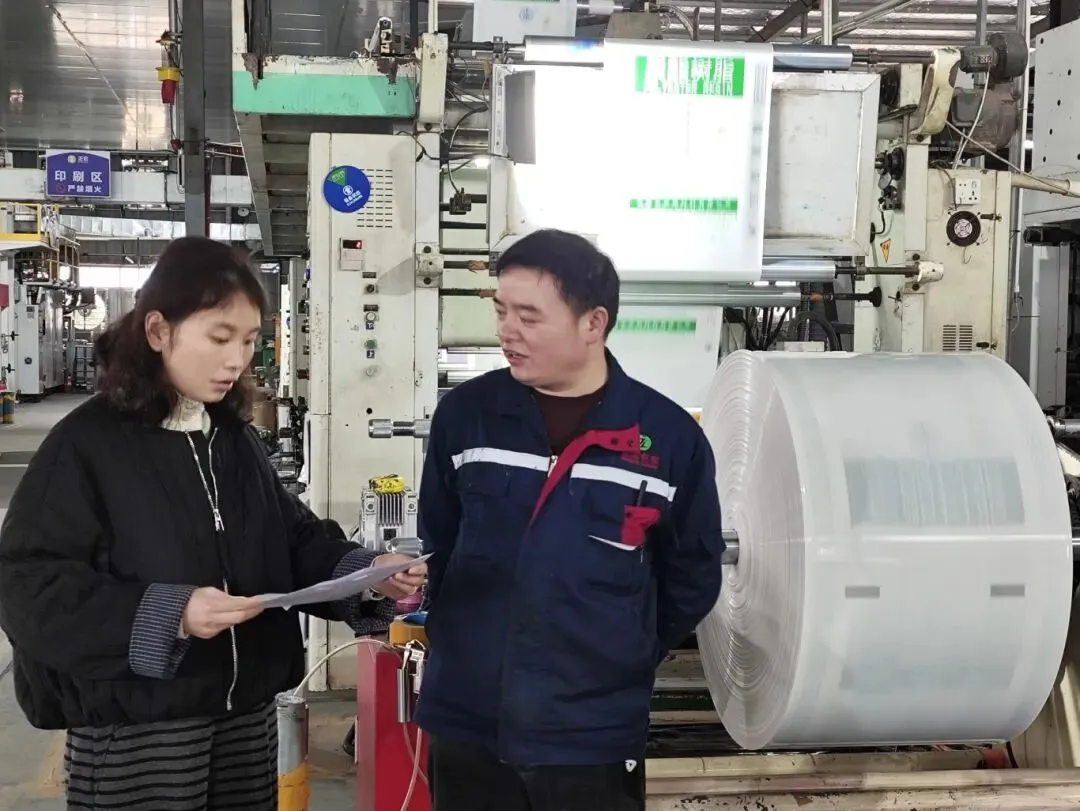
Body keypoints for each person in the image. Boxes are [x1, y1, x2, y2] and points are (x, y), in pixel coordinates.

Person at [0, 236, 427, 811]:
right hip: (141, 727)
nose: (237, 360)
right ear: (159, 331)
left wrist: (367, 573)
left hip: (244, 718)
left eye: (249, 340)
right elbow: (28, 586)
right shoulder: (86, 445)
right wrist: (168, 613)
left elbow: (293, 541)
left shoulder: (232, 440)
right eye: (220, 338)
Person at [415, 229, 726, 811]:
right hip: (469, 717)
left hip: (592, 729)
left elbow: (692, 573)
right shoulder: (468, 416)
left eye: (529, 316)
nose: (507, 330)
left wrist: (623, 649)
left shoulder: (666, 438)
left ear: (593, 323)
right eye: (502, 311)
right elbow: (442, 538)